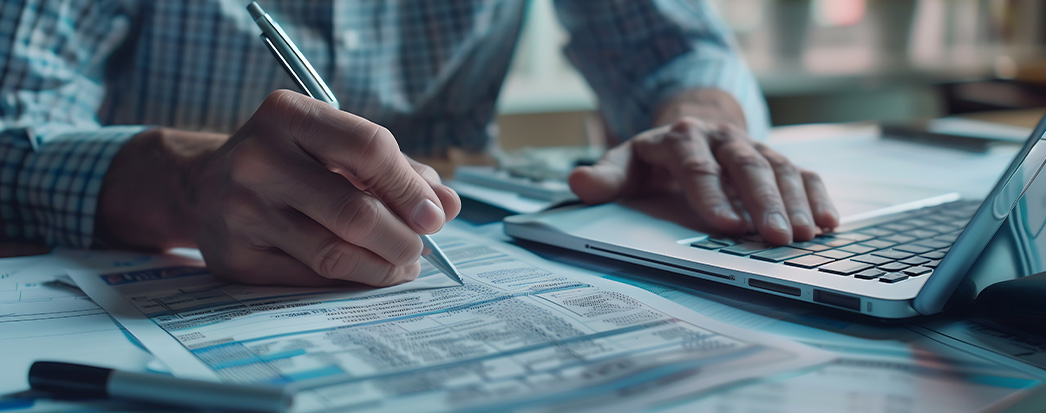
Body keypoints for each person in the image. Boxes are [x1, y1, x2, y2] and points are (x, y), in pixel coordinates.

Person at [0, 0, 837, 287]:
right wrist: (187, 182)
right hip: (147, 284)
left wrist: (701, 120)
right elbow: (11, 128)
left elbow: (673, 43)